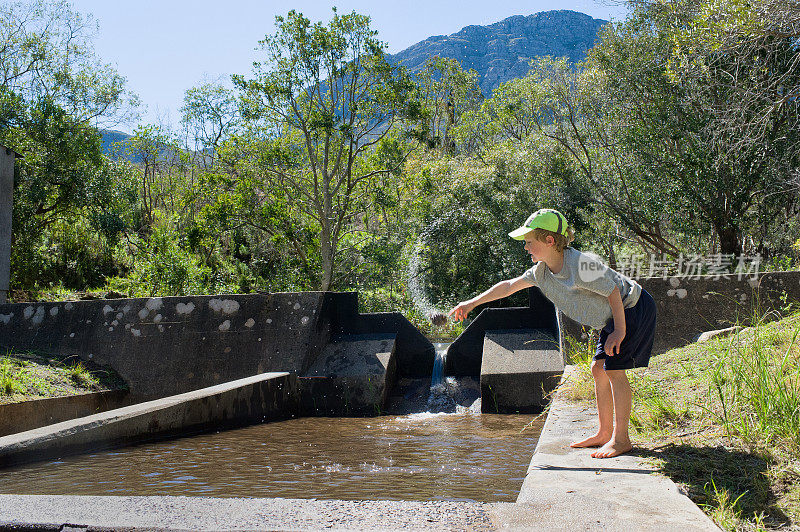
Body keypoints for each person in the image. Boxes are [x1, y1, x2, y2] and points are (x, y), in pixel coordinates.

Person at [448, 208, 656, 458]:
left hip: (632, 308)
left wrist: (620, 331)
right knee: (598, 369)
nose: (525, 248)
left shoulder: (580, 264)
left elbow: (613, 291)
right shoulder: (541, 272)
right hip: (612, 317)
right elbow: (509, 286)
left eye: (529, 242)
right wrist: (471, 303)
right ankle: (603, 433)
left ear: (549, 241)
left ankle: (621, 439)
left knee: (613, 370)